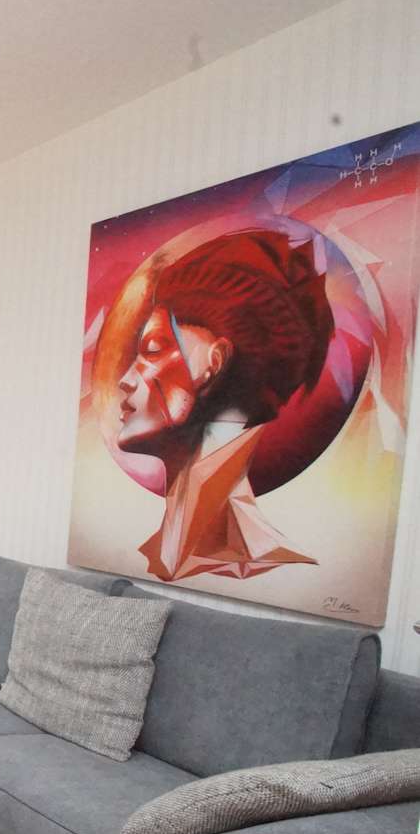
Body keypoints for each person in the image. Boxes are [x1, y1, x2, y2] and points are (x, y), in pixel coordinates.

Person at [114, 228, 334, 580]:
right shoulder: (161, 552)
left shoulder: (259, 561)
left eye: (152, 350)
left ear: (213, 363)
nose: (126, 380)